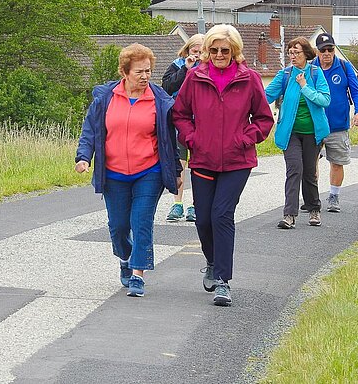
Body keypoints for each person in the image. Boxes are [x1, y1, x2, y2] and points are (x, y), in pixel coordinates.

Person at [172, 24, 274, 306]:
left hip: (236, 160)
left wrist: (245, 138)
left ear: (234, 52)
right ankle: (212, 260)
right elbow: (180, 114)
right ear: (207, 51)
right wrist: (192, 138)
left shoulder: (249, 78)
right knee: (203, 218)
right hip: (203, 158)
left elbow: (264, 119)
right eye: (214, 49)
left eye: (224, 50)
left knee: (222, 215)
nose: (219, 54)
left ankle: (223, 281)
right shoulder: (195, 77)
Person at [75, 43, 181, 298]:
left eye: (148, 71)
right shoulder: (105, 98)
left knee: (141, 221)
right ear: (124, 72)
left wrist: (176, 169)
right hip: (113, 173)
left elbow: (169, 139)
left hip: (149, 172)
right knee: (119, 226)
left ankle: (137, 274)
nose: (145, 77)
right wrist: (83, 158)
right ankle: (125, 256)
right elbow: (91, 131)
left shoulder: (160, 100)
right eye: (139, 72)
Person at [265, 37, 330, 230]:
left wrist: (304, 86)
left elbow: (324, 100)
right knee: (294, 169)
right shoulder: (285, 75)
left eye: (297, 52)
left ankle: (313, 209)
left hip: (312, 132)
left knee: (309, 172)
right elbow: (266, 95)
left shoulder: (316, 74)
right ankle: (289, 215)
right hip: (290, 132)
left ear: (306, 54)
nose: (293, 56)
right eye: (290, 53)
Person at [311, 33, 358, 212]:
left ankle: (334, 197)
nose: (327, 53)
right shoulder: (310, 69)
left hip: (338, 125)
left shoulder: (344, 67)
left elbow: (356, 92)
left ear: (334, 49)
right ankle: (312, 198)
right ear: (317, 52)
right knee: (311, 163)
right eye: (323, 50)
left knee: (337, 162)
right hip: (314, 125)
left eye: (330, 49)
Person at [162, 33, 204, 223]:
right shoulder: (177, 65)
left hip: (202, 123)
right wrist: (186, 68)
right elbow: (167, 88)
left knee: (198, 164)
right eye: (194, 50)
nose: (197, 54)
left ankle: (196, 205)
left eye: (201, 51)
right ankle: (177, 203)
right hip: (180, 121)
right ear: (187, 50)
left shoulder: (209, 68)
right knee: (180, 164)